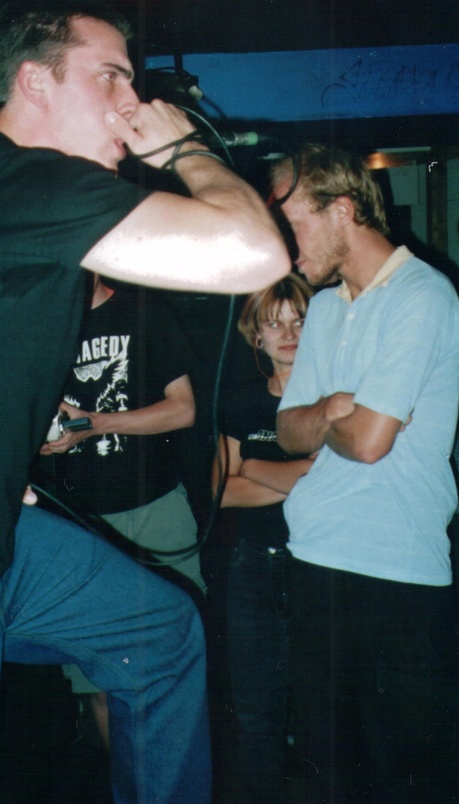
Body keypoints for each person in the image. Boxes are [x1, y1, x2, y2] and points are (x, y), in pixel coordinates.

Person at [0, 0, 290, 803]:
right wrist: (184, 149)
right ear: (35, 82)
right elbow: (253, 255)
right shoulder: (22, 182)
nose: (130, 101)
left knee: (157, 632)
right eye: (109, 75)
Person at [272, 143, 459, 803]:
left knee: (403, 777)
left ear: (342, 210)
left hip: (395, 568)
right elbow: (287, 431)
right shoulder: (324, 307)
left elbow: (372, 442)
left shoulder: (422, 296)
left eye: (293, 224)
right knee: (327, 774)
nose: (285, 249)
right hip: (313, 556)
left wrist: (327, 421)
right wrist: (332, 408)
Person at [34, 272, 205, 750]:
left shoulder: (143, 311)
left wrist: (95, 424)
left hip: (155, 511)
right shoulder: (40, 325)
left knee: (174, 666)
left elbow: (183, 409)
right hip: (80, 523)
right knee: (99, 683)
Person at [211, 273, 313, 804]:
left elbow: (328, 477)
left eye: (299, 321)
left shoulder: (326, 399)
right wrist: (295, 476)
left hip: (317, 565)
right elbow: (220, 493)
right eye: (275, 324)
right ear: (256, 335)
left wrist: (252, 466)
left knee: (321, 710)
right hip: (251, 565)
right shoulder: (241, 400)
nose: (288, 334)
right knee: (256, 714)